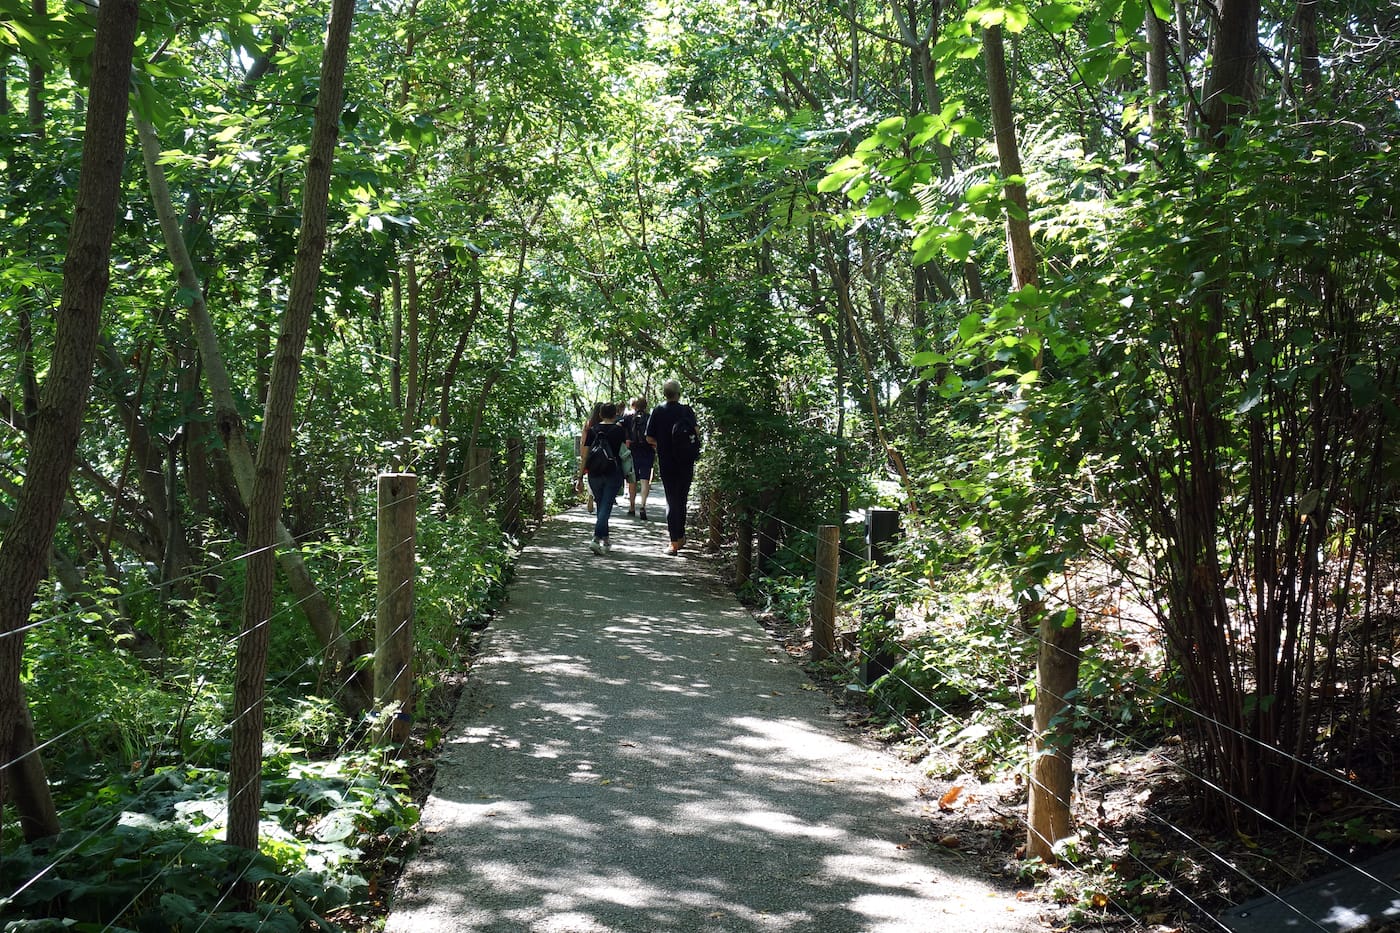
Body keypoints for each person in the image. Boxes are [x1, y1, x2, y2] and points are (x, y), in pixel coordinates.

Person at [645, 380, 700, 556]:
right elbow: (696, 433)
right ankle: (681, 535)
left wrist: (662, 445)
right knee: (682, 499)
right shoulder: (687, 410)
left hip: (667, 461)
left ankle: (673, 542)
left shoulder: (658, 411)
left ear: (664, 393)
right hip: (686, 461)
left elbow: (649, 438)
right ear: (679, 393)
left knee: (671, 500)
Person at [576, 402, 626, 554]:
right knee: (606, 506)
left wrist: (579, 477)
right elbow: (624, 453)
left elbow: (584, 456)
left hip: (594, 472)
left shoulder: (592, 431)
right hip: (613, 472)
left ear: (600, 415)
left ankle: (606, 539)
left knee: (601, 505)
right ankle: (596, 538)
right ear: (615, 415)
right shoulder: (619, 431)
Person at [621, 396, 654, 521]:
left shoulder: (628, 418)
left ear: (634, 406)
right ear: (646, 406)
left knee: (632, 480)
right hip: (648, 451)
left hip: (632, 452)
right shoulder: (650, 417)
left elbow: (619, 426)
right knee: (645, 480)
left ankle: (632, 507)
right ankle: (643, 506)